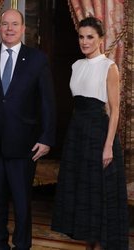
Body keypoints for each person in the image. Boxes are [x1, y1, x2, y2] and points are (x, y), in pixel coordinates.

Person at [0, 9, 56, 250]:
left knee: (21, 202)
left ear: (22, 29)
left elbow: (47, 102)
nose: (9, 28)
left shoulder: (38, 59)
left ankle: (21, 245)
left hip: (24, 144)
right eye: (5, 24)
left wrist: (47, 138)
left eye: (15, 24)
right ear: (0, 28)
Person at [51, 16, 129, 250]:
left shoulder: (109, 67)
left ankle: (100, 245)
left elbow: (114, 111)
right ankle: (88, 244)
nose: (84, 42)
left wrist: (108, 146)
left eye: (90, 37)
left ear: (101, 40)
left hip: (99, 133)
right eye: (81, 37)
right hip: (77, 132)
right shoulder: (76, 65)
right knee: (82, 189)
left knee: (98, 191)